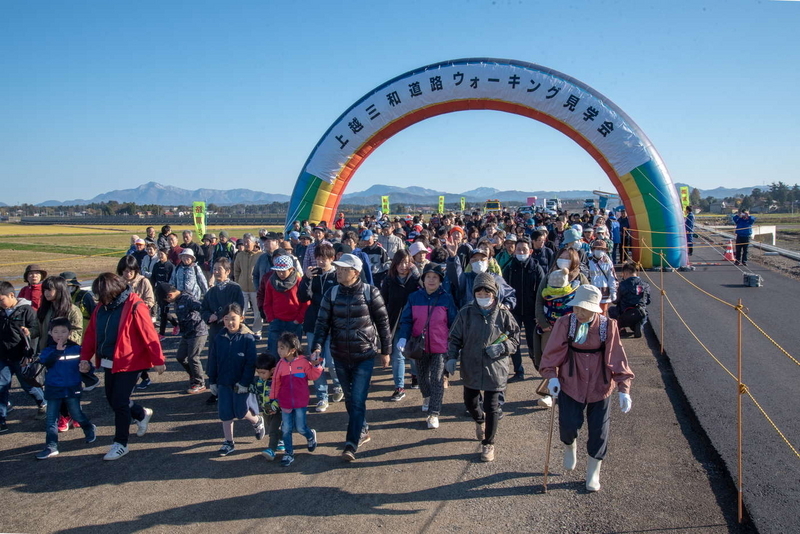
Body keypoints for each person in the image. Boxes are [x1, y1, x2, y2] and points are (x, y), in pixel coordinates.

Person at [540, 284, 635, 492]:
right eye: (576, 307)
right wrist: (552, 377)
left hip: (600, 384)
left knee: (599, 431)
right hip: (571, 380)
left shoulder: (608, 326)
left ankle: (593, 472)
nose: (579, 312)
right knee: (568, 424)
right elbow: (551, 352)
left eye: (584, 309)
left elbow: (617, 357)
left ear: (595, 309)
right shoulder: (565, 323)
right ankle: (569, 446)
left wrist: (623, 389)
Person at [310, 253, 391, 461]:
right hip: (339, 355)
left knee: (357, 399)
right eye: (338, 268)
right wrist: (317, 347)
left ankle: (351, 444)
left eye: (343, 269)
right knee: (350, 399)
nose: (338, 272)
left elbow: (383, 323)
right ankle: (362, 429)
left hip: (364, 355)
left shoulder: (370, 292)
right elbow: (322, 323)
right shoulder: (331, 293)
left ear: (355, 272)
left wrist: (386, 351)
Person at [79, 273, 165, 460]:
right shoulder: (101, 307)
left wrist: (158, 360)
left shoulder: (135, 305)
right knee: (113, 399)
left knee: (119, 401)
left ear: (112, 291)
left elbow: (149, 334)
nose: (99, 298)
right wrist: (84, 358)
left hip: (130, 361)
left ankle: (121, 443)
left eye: (101, 294)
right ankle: (140, 413)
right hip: (109, 360)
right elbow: (91, 333)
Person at [446, 272, 520, 462]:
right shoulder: (466, 312)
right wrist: (451, 358)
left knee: (492, 406)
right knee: (470, 402)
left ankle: (489, 443)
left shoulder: (503, 313)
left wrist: (502, 347)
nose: (483, 297)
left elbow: (515, 338)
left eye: (487, 293)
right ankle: (480, 420)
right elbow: (454, 337)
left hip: (496, 367)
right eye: (479, 293)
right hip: (471, 365)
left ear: (494, 293)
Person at [396, 263, 457, 429]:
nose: (431, 280)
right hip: (419, 346)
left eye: (435, 277)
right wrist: (403, 337)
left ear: (440, 280)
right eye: (428, 277)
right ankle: (427, 396)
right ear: (423, 279)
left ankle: (434, 413)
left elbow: (454, 322)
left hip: (440, 346)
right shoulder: (414, 297)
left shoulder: (446, 298)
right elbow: (406, 320)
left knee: (437, 378)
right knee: (422, 378)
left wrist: (454, 343)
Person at [207, 303, 265, 456]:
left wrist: (244, 382)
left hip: (241, 382)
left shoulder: (247, 338)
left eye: (233, 318)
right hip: (223, 381)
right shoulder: (219, 337)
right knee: (225, 412)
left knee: (241, 411)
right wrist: (212, 380)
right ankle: (228, 442)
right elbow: (212, 359)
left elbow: (251, 362)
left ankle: (257, 421)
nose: (230, 322)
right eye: (226, 319)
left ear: (241, 318)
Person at [35, 317, 97, 459]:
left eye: (63, 332)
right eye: (56, 332)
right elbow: (46, 362)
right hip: (53, 389)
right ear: (50, 333)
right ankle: (51, 446)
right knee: (51, 419)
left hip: (72, 388)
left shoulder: (76, 349)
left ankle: (88, 428)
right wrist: (57, 352)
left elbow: (87, 364)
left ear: (69, 333)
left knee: (76, 414)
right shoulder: (47, 350)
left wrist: (87, 367)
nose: (59, 335)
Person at [297, 243, 343, 412]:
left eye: (324, 258)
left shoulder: (337, 275)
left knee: (331, 361)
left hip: (332, 324)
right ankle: (322, 397)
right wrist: (307, 278)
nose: (321, 262)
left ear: (332, 259)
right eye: (318, 258)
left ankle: (338, 385)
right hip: (313, 324)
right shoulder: (313, 275)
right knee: (315, 361)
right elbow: (303, 297)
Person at [270, 332, 323, 467]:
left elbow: (313, 376)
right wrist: (273, 399)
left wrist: (316, 366)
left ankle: (310, 436)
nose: (279, 350)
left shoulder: (304, 362)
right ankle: (288, 453)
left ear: (293, 350)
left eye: (282, 348)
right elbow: (275, 383)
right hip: (285, 402)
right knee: (286, 429)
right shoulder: (280, 365)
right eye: (278, 347)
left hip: (301, 402)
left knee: (300, 427)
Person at [0, 281, 46, 431]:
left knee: (28, 385)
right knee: (1, 386)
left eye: (1, 299)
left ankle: (42, 403)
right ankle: (1, 419)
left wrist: (29, 354)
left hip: (21, 357)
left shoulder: (26, 310)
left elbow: (35, 332)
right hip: (3, 357)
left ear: (11, 295)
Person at [201, 257, 245, 403]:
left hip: (231, 329)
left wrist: (222, 316)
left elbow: (238, 307)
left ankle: (234, 388)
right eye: (214, 269)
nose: (215, 272)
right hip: (215, 330)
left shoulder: (235, 288)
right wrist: (209, 316)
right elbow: (203, 308)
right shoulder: (211, 291)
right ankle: (216, 388)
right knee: (215, 358)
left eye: (219, 269)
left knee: (232, 358)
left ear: (227, 271)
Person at [502, 237, 546, 381]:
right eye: (519, 249)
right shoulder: (509, 268)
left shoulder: (536, 268)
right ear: (514, 251)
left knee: (533, 343)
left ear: (530, 251)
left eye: (524, 250)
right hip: (514, 311)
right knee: (514, 342)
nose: (521, 252)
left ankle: (541, 369)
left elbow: (541, 293)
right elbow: (504, 290)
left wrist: (539, 313)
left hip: (531, 312)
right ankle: (518, 371)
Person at [380, 249, 421, 401]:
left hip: (414, 322)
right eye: (401, 263)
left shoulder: (415, 279)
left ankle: (415, 375)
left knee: (414, 353)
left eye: (407, 262)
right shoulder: (389, 280)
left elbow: (426, 290)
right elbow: (383, 301)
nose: (404, 266)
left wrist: (416, 272)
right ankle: (399, 387)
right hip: (396, 323)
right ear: (395, 264)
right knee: (397, 354)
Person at [161, 283, 208, 394]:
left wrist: (202, 319)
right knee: (180, 357)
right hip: (186, 333)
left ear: (170, 295)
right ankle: (193, 374)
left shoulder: (187, 299)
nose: (167, 302)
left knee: (193, 357)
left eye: (166, 300)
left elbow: (202, 307)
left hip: (197, 332)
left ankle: (200, 383)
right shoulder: (177, 300)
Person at [258, 255, 308, 357]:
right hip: (276, 322)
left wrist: (298, 320)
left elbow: (305, 303)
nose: (280, 273)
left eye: (283, 271)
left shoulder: (299, 282)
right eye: (278, 271)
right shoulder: (271, 282)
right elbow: (267, 302)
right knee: (274, 352)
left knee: (293, 354)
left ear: (291, 269)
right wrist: (271, 319)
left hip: (294, 323)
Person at [251, 352, 283, 461]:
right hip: (265, 411)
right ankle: (282, 440)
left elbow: (281, 395)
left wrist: (275, 406)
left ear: (272, 370)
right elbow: (256, 390)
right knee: (272, 427)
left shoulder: (277, 381)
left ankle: (271, 450)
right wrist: (244, 388)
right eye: (258, 373)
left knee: (273, 430)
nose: (261, 375)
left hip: (277, 411)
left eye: (263, 373)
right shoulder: (260, 381)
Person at [233, 233, 263, 340]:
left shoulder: (260, 255)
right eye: (244, 241)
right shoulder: (240, 255)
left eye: (248, 242)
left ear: (254, 243)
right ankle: (242, 330)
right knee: (241, 310)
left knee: (257, 311)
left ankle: (257, 331)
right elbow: (236, 270)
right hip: (242, 288)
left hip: (256, 288)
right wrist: (238, 282)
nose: (245, 244)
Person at [611, 261, 651, 338]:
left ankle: (621, 328)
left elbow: (616, 301)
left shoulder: (623, 284)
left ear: (626, 273)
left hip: (625, 313)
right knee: (643, 313)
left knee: (611, 310)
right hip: (640, 312)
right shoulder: (645, 284)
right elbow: (648, 301)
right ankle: (639, 325)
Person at [151, 249, 177, 338]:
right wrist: (152, 289)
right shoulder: (156, 265)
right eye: (158, 254)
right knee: (162, 313)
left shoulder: (171, 266)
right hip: (158, 291)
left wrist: (170, 291)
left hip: (167, 291)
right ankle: (176, 324)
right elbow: (153, 278)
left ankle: (162, 333)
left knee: (164, 312)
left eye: (162, 254)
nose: (160, 256)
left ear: (166, 254)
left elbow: (173, 279)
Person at [587, 240, 617, 314]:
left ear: (605, 251)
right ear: (593, 249)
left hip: (604, 292)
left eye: (602, 249)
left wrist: (613, 292)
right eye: (598, 249)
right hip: (592, 291)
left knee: (603, 313)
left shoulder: (608, 262)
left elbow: (612, 278)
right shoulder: (588, 260)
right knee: (592, 313)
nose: (600, 251)